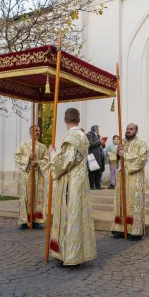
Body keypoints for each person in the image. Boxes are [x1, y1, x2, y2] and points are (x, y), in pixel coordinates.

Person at [47, 108, 97, 266]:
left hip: (71, 184)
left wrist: (52, 153)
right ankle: (80, 253)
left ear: (64, 120)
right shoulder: (83, 135)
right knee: (78, 217)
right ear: (79, 119)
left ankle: (70, 255)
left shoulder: (71, 137)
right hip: (80, 181)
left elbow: (65, 162)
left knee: (69, 217)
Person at [111, 123, 149, 241]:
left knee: (133, 204)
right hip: (122, 177)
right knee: (121, 203)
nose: (128, 131)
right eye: (127, 129)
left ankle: (134, 231)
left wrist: (125, 155)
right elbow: (113, 159)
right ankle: (120, 228)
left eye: (131, 129)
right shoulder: (122, 143)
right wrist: (117, 154)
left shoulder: (141, 144)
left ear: (136, 131)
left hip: (134, 178)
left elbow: (142, 160)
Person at [13, 125, 48, 230]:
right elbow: (16, 156)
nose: (38, 132)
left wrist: (37, 162)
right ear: (31, 132)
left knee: (37, 197)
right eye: (36, 130)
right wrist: (28, 158)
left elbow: (47, 160)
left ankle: (35, 220)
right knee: (25, 197)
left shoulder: (43, 147)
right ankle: (24, 220)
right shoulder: (23, 145)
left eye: (39, 130)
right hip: (27, 174)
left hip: (38, 176)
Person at [86, 125, 103, 190]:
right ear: (93, 129)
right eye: (97, 129)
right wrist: (99, 142)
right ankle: (91, 186)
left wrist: (102, 143)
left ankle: (98, 185)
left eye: (98, 129)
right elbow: (90, 144)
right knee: (92, 171)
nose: (98, 130)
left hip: (98, 156)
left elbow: (99, 146)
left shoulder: (97, 136)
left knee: (98, 171)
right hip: (92, 155)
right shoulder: (88, 135)